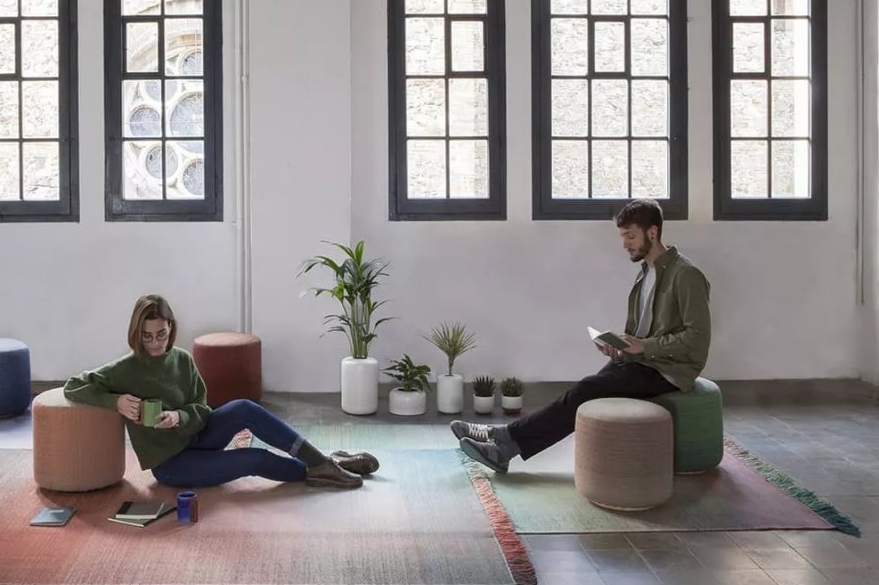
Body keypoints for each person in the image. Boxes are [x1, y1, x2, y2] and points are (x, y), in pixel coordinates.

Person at [453, 198, 711, 473]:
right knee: (582, 392)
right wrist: (620, 349)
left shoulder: (686, 275)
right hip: (643, 361)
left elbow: (697, 338)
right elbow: (644, 332)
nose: (625, 244)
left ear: (652, 232)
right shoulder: (645, 274)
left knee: (587, 389)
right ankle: (503, 439)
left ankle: (505, 443)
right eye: (622, 236)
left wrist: (644, 347)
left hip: (669, 369)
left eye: (630, 236)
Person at [64, 294, 377, 489]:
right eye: (147, 336)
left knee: (243, 407)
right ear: (136, 333)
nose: (156, 343)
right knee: (254, 458)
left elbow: (202, 408)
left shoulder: (181, 359)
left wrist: (179, 417)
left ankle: (322, 461)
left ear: (171, 327)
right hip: (172, 464)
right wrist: (116, 401)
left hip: (198, 437)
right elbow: (73, 386)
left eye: (162, 333)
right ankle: (322, 468)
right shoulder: (124, 368)